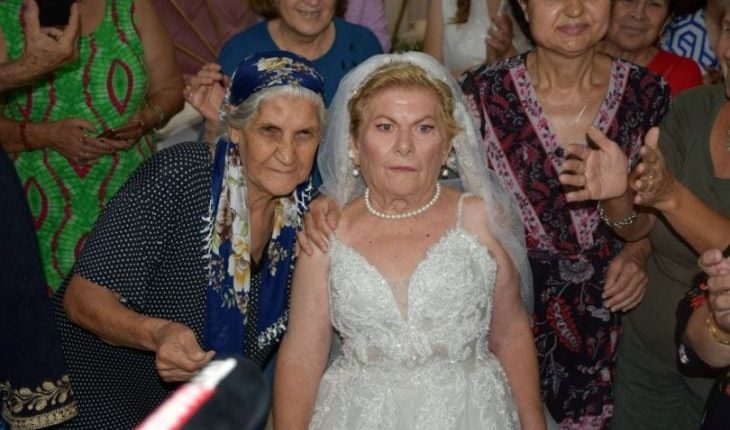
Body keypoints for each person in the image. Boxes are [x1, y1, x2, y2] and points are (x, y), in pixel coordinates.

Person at [53, 51, 326, 429]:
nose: (287, 153)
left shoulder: (306, 215)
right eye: (269, 131)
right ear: (236, 129)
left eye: (304, 134)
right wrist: (158, 333)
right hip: (99, 401)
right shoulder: (182, 176)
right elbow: (83, 298)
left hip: (205, 417)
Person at [273, 52, 545, 429]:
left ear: (447, 146)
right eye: (385, 127)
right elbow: (303, 354)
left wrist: (533, 422)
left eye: (424, 128)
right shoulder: (327, 231)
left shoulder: (481, 218)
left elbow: (511, 333)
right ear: (354, 143)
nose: (404, 146)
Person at [454, 0, 672, 426]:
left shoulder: (648, 95)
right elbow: (438, 203)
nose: (574, 9)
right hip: (504, 321)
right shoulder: (479, 94)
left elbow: (653, 219)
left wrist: (639, 248)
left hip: (615, 327)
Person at [0, 0, 184, 292]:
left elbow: (171, 88)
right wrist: (46, 135)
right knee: (48, 311)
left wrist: (146, 119)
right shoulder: (6, 14)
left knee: (131, 308)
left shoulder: (129, 6)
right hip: (41, 211)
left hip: (131, 205)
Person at [185, 0, 381, 144]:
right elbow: (212, 157)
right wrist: (216, 124)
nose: (313, 2)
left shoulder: (364, 46)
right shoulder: (240, 53)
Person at [601, 0, 703, 95]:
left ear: (667, 20)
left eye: (654, 4)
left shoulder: (682, 74)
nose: (638, 14)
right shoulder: (589, 61)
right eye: (629, 0)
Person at [423, 0, 531, 77]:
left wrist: (509, 53)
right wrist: (486, 68)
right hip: (462, 100)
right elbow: (430, 75)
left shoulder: (532, 5)